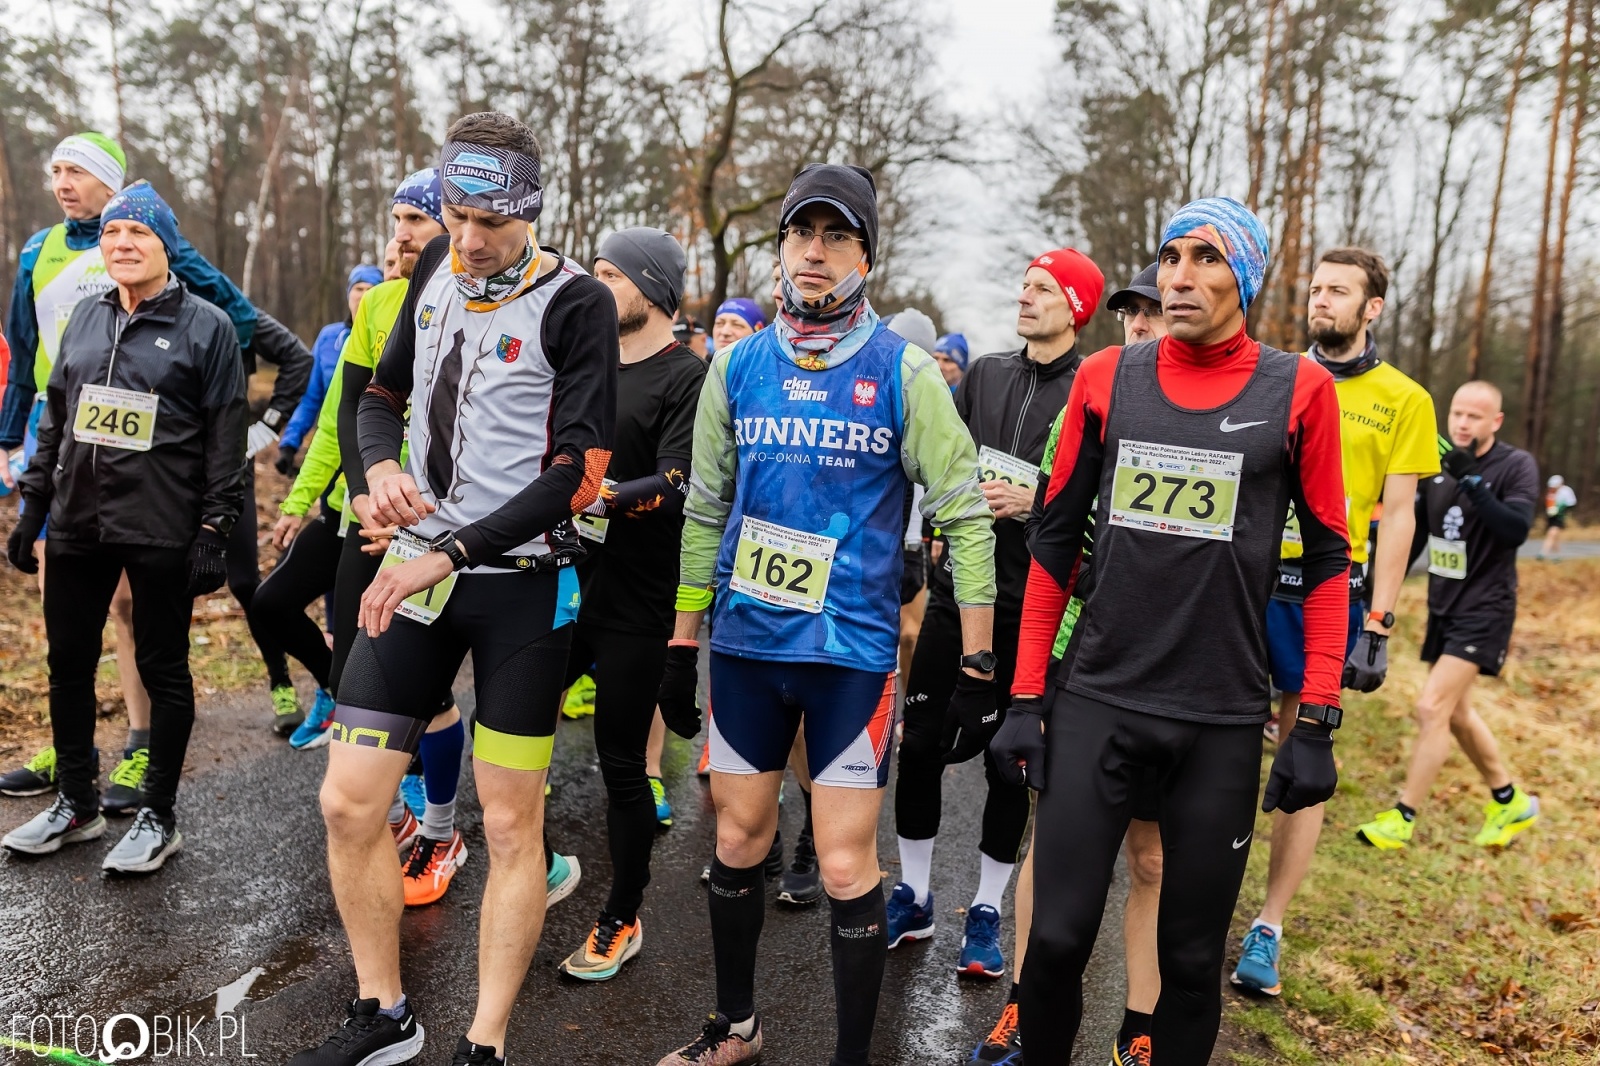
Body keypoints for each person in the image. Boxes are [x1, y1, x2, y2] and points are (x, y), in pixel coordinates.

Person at [290, 112, 615, 1066]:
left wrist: (452, 548)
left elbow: (581, 471)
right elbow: (377, 398)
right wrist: (379, 471)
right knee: (350, 803)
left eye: (491, 223)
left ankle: (486, 1042)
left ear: (532, 211)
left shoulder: (576, 300)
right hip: (419, 569)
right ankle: (384, 1013)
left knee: (511, 821)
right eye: (457, 215)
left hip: (522, 582)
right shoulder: (431, 271)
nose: (468, 240)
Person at [654, 163, 996, 1066]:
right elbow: (703, 510)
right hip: (749, 649)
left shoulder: (905, 372)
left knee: (845, 866)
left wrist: (980, 658)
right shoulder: (737, 366)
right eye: (800, 234)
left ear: (866, 257)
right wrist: (682, 640)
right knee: (737, 836)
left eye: (835, 236)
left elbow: (963, 511)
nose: (813, 251)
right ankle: (736, 1028)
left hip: (849, 655)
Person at [993, 197, 1350, 1063]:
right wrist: (1025, 696)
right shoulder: (1107, 377)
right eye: (1170, 256)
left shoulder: (1297, 389)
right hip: (1100, 700)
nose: (1178, 276)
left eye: (1205, 258)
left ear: (1246, 279)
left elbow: (1333, 562)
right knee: (1056, 945)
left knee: (1191, 963)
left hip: (1219, 718)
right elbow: (1050, 542)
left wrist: (1318, 719)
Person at [0, 132, 296, 811]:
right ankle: (75, 801)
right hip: (78, 517)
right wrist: (32, 507)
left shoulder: (208, 325)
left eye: (138, 231)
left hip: (160, 520)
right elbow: (56, 414)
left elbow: (225, 440)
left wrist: (215, 530)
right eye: (114, 233)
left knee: (163, 664)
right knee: (67, 662)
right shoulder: (82, 320)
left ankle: (155, 805)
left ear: (168, 247)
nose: (124, 242)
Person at [1228, 248, 1439, 998]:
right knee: (1217, 737)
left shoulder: (1405, 399)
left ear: (1372, 307)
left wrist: (1379, 624)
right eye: (1316, 288)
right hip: (1242, 582)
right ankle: (1199, 887)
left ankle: (1269, 927)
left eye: (1338, 291)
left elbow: (1402, 514)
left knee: (1302, 751)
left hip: (1325, 592)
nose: (1322, 300)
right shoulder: (1275, 373)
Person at [888, 250, 1103, 990]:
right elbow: (949, 462)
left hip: (1036, 607)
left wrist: (1037, 500)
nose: (1025, 296)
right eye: (1024, 284)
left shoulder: (1093, 390)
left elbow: (1102, 504)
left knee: (1009, 765)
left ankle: (985, 909)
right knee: (919, 743)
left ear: (1076, 306)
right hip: (959, 597)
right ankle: (913, 893)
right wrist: (943, 523)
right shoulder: (984, 373)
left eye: (1042, 289)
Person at [555, 228, 706, 981]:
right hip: (560, 580)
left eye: (609, 273)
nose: (594, 281)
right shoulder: (587, 362)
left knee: (620, 763)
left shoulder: (688, 375)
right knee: (504, 721)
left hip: (637, 598)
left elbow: (680, 483)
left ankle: (622, 911)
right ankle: (543, 863)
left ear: (650, 289)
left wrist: (598, 498)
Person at [1353, 381, 1540, 851]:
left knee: (1431, 707)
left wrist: (1473, 481)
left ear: (1495, 422)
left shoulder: (1515, 465)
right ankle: (1510, 799)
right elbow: (1411, 538)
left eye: (1475, 416)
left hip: (1486, 609)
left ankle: (1404, 816)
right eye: (1457, 413)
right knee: (1455, 714)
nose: (1462, 423)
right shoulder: (1433, 469)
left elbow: (1515, 530)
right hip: (1444, 608)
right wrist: (1372, 590)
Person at [274, 264, 382, 476]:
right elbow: (310, 397)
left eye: (371, 289)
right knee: (326, 507)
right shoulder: (329, 337)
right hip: (330, 445)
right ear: (349, 293)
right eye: (358, 288)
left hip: (371, 448)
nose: (363, 295)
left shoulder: (388, 337)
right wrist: (289, 444)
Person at [1540, 474, 1577, 559]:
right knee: (1555, 537)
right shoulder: (1551, 492)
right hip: (1551, 516)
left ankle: (1543, 553)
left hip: (1560, 516)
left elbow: (1571, 503)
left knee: (1551, 534)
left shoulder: (1566, 491)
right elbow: (1548, 504)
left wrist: (1562, 508)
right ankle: (1558, 556)